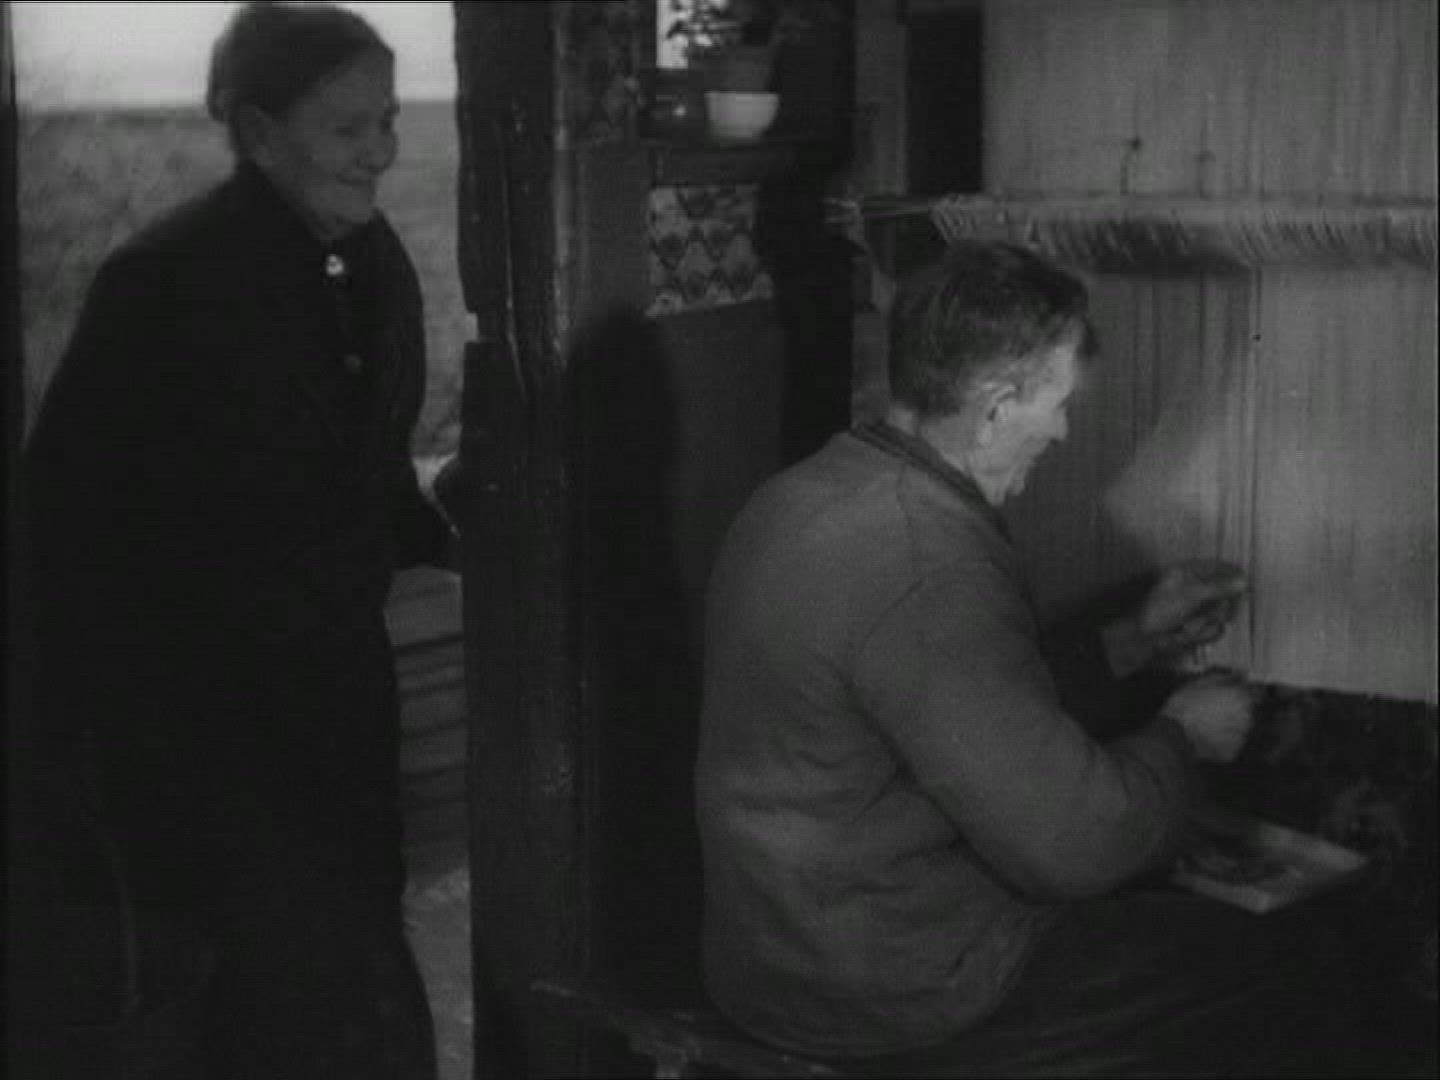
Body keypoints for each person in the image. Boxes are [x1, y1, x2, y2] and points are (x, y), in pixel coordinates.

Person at [695, 242, 1426, 1077]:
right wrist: (1183, 739)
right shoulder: (928, 559)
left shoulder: (804, 495)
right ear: (995, 408)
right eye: (1059, 404)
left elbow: (956, 707)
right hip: (891, 996)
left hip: (772, 957)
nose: (1065, 431)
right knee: (1296, 964)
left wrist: (1133, 638)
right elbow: (1077, 847)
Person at [17, 4, 452, 1076]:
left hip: (333, 691)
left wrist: (454, 537)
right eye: (348, 128)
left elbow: (366, 465)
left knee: (350, 942)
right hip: (202, 716)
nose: (382, 151)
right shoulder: (163, 282)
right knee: (267, 981)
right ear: (258, 132)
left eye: (389, 119)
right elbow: (64, 525)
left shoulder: (368, 258)